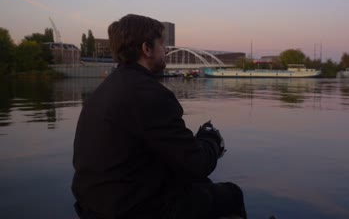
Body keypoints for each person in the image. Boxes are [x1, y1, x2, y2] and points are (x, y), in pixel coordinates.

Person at [72, 14, 247, 219]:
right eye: (162, 44)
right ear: (147, 49)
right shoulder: (149, 93)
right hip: (134, 209)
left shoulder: (104, 90)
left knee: (197, 185)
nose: (165, 50)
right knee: (232, 194)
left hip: (96, 205)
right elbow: (197, 165)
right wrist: (211, 141)